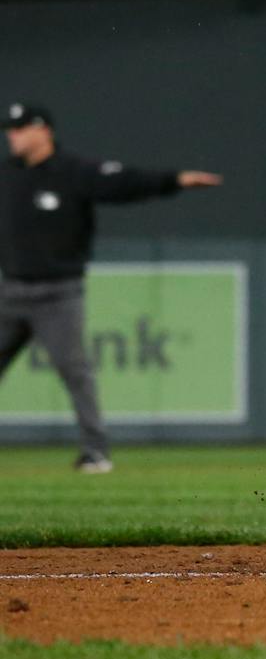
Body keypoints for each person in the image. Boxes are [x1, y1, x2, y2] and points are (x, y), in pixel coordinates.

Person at [1, 103, 221, 473]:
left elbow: (124, 183)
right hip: (8, 293)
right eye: (11, 129)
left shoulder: (73, 173)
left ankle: (96, 452)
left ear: (44, 131)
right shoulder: (5, 176)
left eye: (20, 128)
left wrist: (174, 180)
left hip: (57, 294)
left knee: (76, 373)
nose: (13, 135)